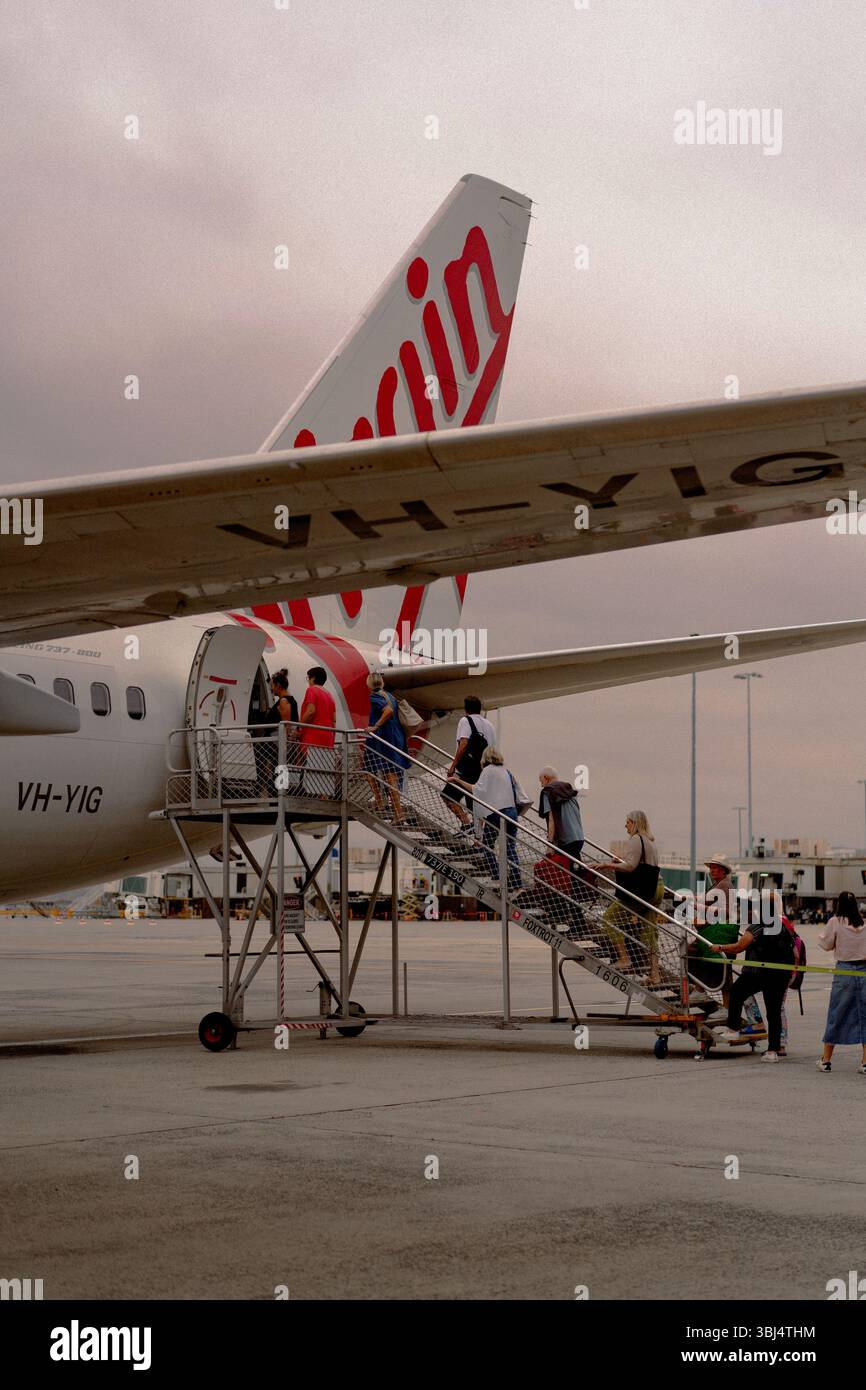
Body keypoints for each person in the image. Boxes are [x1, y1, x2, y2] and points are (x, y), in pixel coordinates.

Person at [712, 896, 794, 1062]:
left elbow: (739, 946)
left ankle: (734, 1028)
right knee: (774, 1012)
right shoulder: (782, 927)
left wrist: (720, 947)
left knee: (736, 992)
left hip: (758, 973)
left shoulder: (757, 927)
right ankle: (773, 1051)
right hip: (780, 975)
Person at [595, 812, 661, 984]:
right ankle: (655, 974)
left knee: (609, 919)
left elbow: (631, 867)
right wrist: (620, 861)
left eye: (627, 822)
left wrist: (607, 865)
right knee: (649, 933)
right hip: (655, 889)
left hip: (640, 892)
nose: (626, 826)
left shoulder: (635, 840)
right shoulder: (650, 842)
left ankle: (624, 958)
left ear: (634, 823)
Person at [454, 748, 523, 891]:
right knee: (510, 849)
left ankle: (497, 876)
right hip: (512, 813)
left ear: (484, 758)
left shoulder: (488, 770)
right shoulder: (506, 771)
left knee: (487, 845)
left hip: (497, 814)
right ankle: (517, 884)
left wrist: (457, 780)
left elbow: (476, 790)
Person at [816, 891, 866, 1074]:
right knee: (864, 1015)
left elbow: (826, 944)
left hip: (844, 971)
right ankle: (865, 1062)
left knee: (836, 1014)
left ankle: (826, 1060)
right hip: (863, 971)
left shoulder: (835, 922)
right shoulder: (864, 923)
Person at [441, 696, 496, 830]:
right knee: (476, 804)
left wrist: (453, 766)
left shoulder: (465, 721)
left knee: (448, 796)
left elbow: (464, 743)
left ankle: (466, 823)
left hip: (468, 769)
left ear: (466, 709)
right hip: (484, 769)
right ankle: (478, 838)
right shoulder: (489, 725)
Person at [363, 673, 410, 822]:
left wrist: (375, 726)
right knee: (391, 777)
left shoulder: (375, 697)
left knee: (368, 768)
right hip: (396, 738)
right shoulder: (389, 695)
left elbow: (388, 711)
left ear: (369, 685)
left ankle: (384, 804)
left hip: (384, 739)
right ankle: (394, 810)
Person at [537, 768, 585, 902]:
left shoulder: (548, 792)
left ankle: (567, 912)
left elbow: (551, 819)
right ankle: (576, 913)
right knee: (573, 877)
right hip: (578, 837)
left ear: (546, 778)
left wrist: (550, 844)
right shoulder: (568, 791)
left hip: (565, 840)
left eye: (541, 781)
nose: (541, 785)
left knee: (561, 878)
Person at [251, 669, 299, 796]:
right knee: (277, 767)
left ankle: (276, 792)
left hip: (276, 742)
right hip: (276, 742)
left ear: (278, 685)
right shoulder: (289, 700)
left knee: (276, 766)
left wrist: (284, 744)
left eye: (272, 685)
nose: (272, 688)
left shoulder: (284, 701)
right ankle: (278, 792)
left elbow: (286, 724)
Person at [299, 666, 336, 796]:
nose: (308, 681)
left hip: (313, 736)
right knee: (322, 770)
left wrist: (299, 726)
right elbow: (334, 719)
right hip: (327, 737)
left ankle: (306, 797)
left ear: (313, 678)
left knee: (308, 766)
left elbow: (311, 711)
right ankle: (323, 796)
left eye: (308, 678)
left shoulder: (312, 690)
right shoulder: (329, 695)